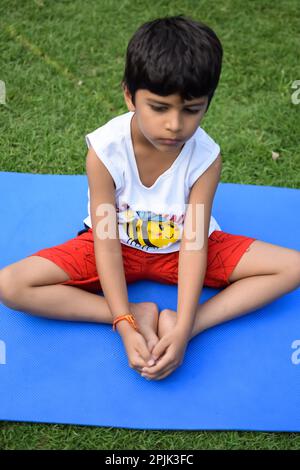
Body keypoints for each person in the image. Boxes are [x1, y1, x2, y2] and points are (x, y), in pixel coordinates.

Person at [0, 15, 299, 381]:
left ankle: (188, 324)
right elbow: (106, 239)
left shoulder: (206, 157)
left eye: (191, 110)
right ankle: (135, 310)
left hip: (181, 249)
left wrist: (185, 328)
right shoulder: (105, 151)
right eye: (159, 108)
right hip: (117, 246)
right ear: (130, 95)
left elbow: (193, 243)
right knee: (10, 285)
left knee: (294, 266)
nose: (175, 125)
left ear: (207, 103)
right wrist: (124, 320)